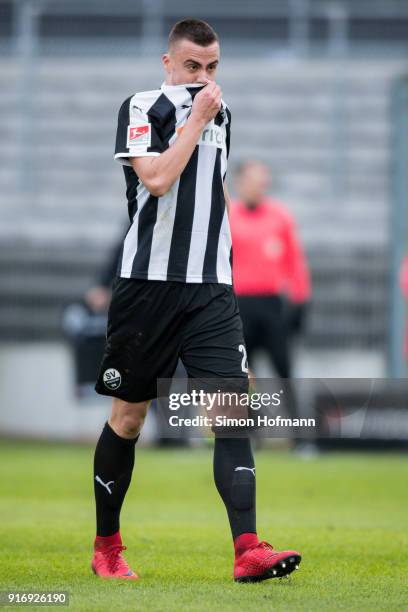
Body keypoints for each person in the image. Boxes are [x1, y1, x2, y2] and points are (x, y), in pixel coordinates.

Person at [91, 19, 301, 583]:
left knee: (232, 414)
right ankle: (107, 546)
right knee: (129, 418)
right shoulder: (141, 108)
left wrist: (229, 270)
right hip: (147, 288)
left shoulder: (222, 114)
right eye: (192, 67)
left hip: (210, 290)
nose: (203, 78)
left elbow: (216, 189)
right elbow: (156, 179)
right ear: (168, 63)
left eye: (211, 68)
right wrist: (197, 118)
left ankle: (248, 549)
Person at [229, 160, 311, 379]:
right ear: (239, 183)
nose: (258, 187)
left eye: (262, 182)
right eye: (252, 181)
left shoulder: (280, 217)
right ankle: (251, 413)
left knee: (284, 369)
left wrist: (301, 301)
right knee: (243, 371)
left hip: (272, 305)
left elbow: (294, 261)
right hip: (239, 306)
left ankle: (294, 413)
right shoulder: (228, 217)